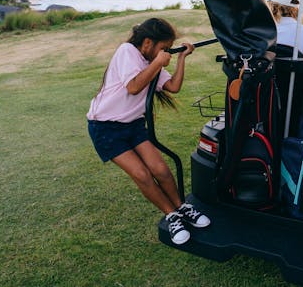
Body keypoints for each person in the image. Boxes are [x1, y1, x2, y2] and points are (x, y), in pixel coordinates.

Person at [86, 18, 210, 245]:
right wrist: (158, 63)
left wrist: (181, 59)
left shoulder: (151, 61)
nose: (165, 53)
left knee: (160, 169)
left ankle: (182, 208)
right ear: (146, 43)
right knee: (142, 174)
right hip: (105, 128)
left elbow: (173, 86)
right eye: (163, 48)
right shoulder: (127, 52)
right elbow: (133, 87)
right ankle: (171, 214)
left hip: (133, 125)